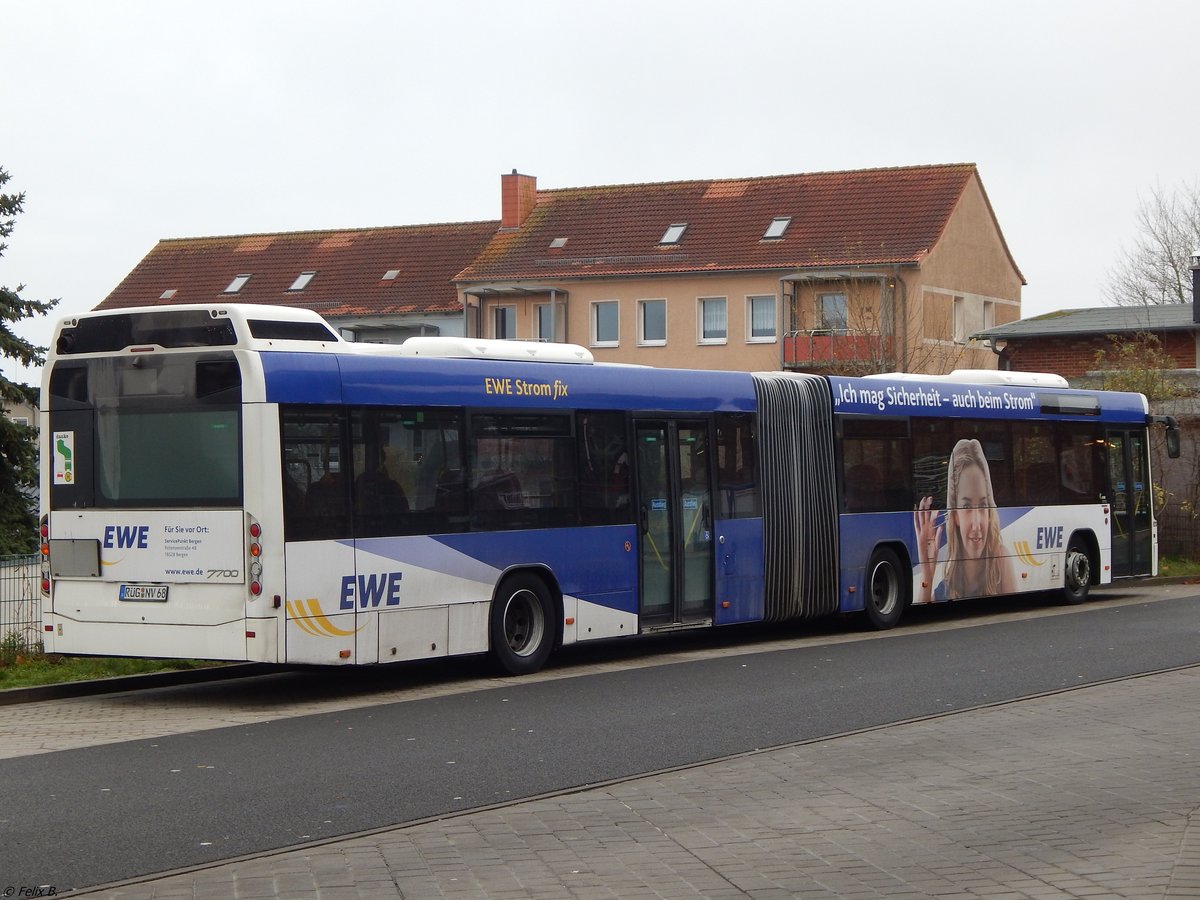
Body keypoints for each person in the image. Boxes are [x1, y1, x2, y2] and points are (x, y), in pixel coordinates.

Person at [913, 438, 1016, 603]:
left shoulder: (1000, 561)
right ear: (955, 515)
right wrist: (927, 573)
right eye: (966, 506)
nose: (976, 525)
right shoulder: (944, 589)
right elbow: (919, 616)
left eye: (983, 505)